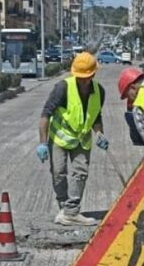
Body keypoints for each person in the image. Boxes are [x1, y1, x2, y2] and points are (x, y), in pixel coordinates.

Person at [37, 52, 108, 226]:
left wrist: (99, 134)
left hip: (82, 139)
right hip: (60, 139)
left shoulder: (99, 91)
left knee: (80, 173)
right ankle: (63, 207)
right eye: (80, 77)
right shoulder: (63, 88)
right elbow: (45, 115)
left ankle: (71, 211)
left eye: (87, 77)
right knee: (58, 173)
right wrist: (43, 143)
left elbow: (96, 116)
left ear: (93, 74)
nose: (83, 81)